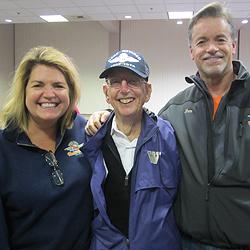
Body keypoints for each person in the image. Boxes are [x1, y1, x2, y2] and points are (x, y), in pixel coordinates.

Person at [85, 2, 250, 249]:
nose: (212, 48)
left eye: (220, 39)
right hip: (188, 242)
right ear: (191, 51)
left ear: (233, 45)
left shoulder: (165, 127)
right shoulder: (175, 112)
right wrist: (103, 116)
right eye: (202, 41)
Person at [82, 49, 181, 250]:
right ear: (106, 93)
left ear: (148, 91)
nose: (124, 89)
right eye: (116, 82)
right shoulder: (92, 139)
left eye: (133, 81)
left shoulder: (168, 136)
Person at [0, 46, 93, 250]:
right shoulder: (4, 149)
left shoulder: (85, 132)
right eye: (38, 85)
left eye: (58, 85)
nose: (49, 94)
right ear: (23, 91)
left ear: (70, 92)